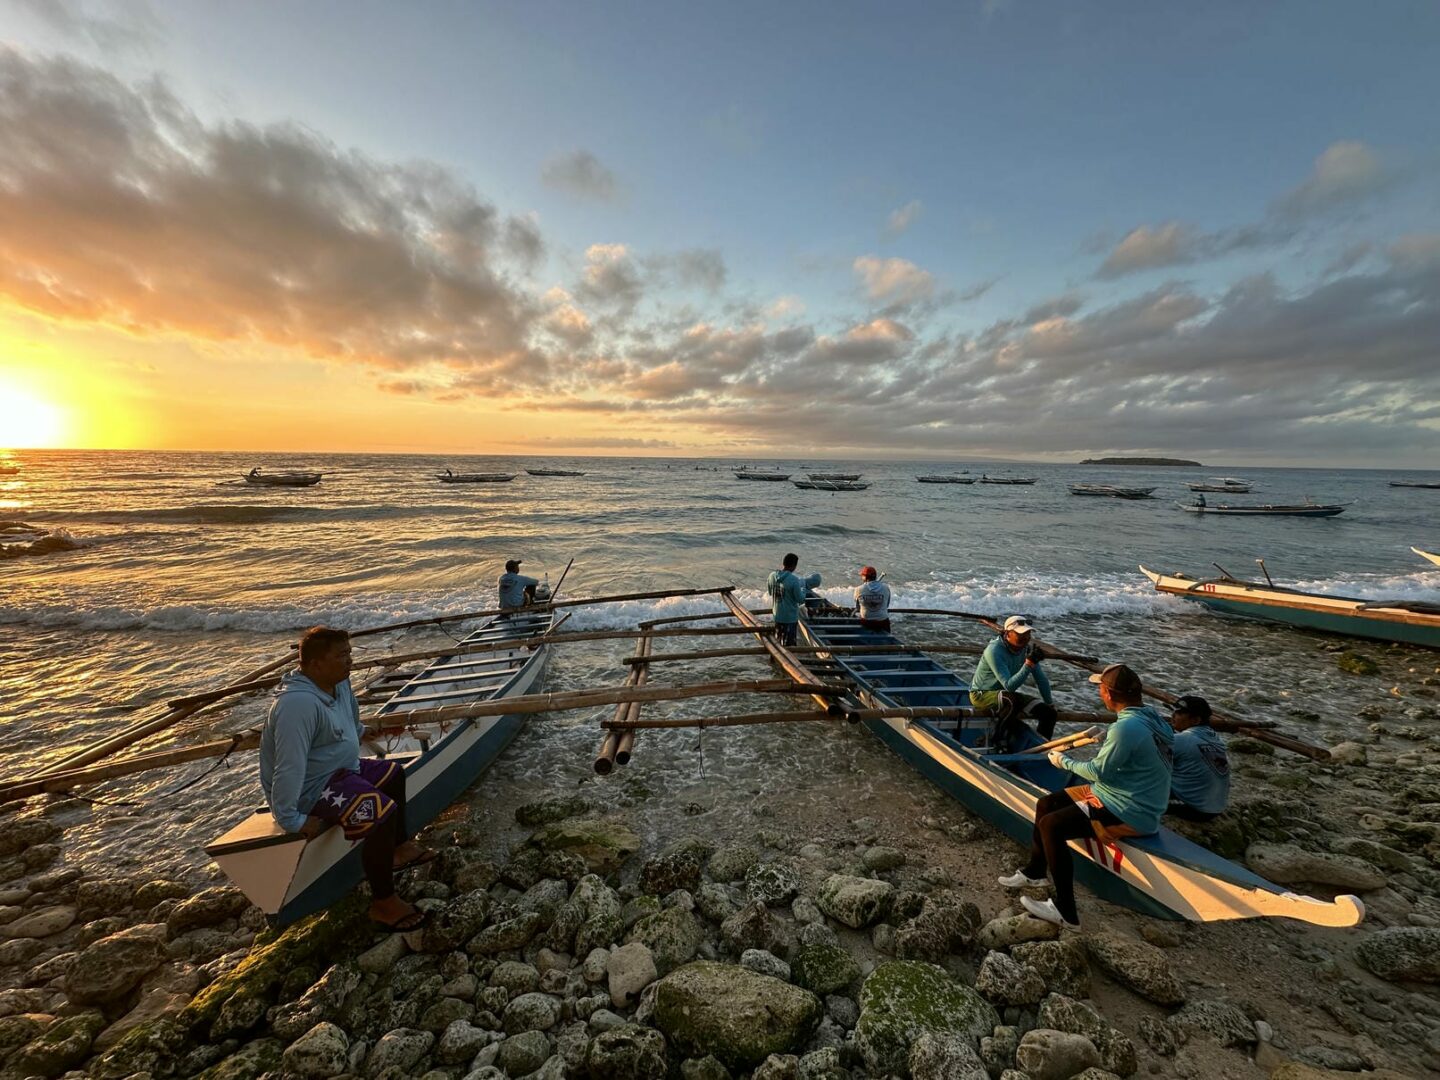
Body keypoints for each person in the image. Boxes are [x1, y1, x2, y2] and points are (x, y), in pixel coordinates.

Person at [260, 626, 434, 931]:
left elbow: (349, 722)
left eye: (350, 653)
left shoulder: (337, 683)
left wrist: (362, 733)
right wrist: (292, 819)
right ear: (314, 664)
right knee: (381, 814)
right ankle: (384, 902)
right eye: (341, 655)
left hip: (342, 770)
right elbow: (287, 767)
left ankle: (398, 848)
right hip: (312, 787)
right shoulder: (297, 705)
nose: (350, 661)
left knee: (393, 774)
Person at [999, 663, 1174, 928]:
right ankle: (1035, 872)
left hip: (1129, 807)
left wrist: (1063, 761)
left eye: (1101, 689)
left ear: (1110, 695)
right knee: (1047, 803)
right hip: (1121, 793)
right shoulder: (1152, 717)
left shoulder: (1125, 728)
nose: (1099, 694)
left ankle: (1065, 911)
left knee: (1051, 825)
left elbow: (1097, 771)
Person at [970, 615, 1058, 744]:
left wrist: (1050, 704)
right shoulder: (994, 651)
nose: (1026, 638)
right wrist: (1028, 664)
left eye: (1028, 634)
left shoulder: (1026, 650)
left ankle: (1040, 749)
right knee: (1011, 701)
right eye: (1020, 634)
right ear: (1007, 634)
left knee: (1049, 714)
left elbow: (1041, 679)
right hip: (981, 695)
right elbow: (1009, 686)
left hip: (1006, 696)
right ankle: (992, 739)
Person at [1167, 694, 1230, 821]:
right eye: (1173, 712)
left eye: (1179, 713)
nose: (1173, 716)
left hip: (1193, 809)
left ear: (1195, 720)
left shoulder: (1183, 739)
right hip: (1214, 809)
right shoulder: (1215, 739)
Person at [767, 552, 822, 647]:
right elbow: (800, 599)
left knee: (779, 641)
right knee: (790, 645)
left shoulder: (772, 576)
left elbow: (770, 592)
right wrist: (803, 590)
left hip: (777, 615)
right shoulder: (793, 580)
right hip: (790, 618)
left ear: (783, 563)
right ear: (794, 566)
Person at [854, 566, 892, 632]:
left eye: (862, 576)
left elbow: (858, 608)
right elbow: (887, 605)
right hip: (883, 622)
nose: (861, 577)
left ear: (865, 577)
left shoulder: (858, 589)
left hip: (866, 622)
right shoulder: (886, 588)